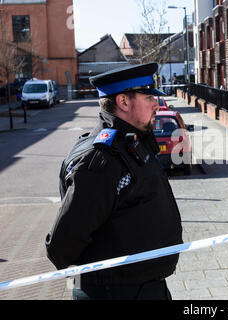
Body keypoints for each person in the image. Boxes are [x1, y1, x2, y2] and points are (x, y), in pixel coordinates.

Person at [45, 62, 183, 300]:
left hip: (147, 288)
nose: (157, 104)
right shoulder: (101, 160)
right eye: (149, 96)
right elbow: (61, 246)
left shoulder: (133, 143)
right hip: (117, 293)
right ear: (123, 102)